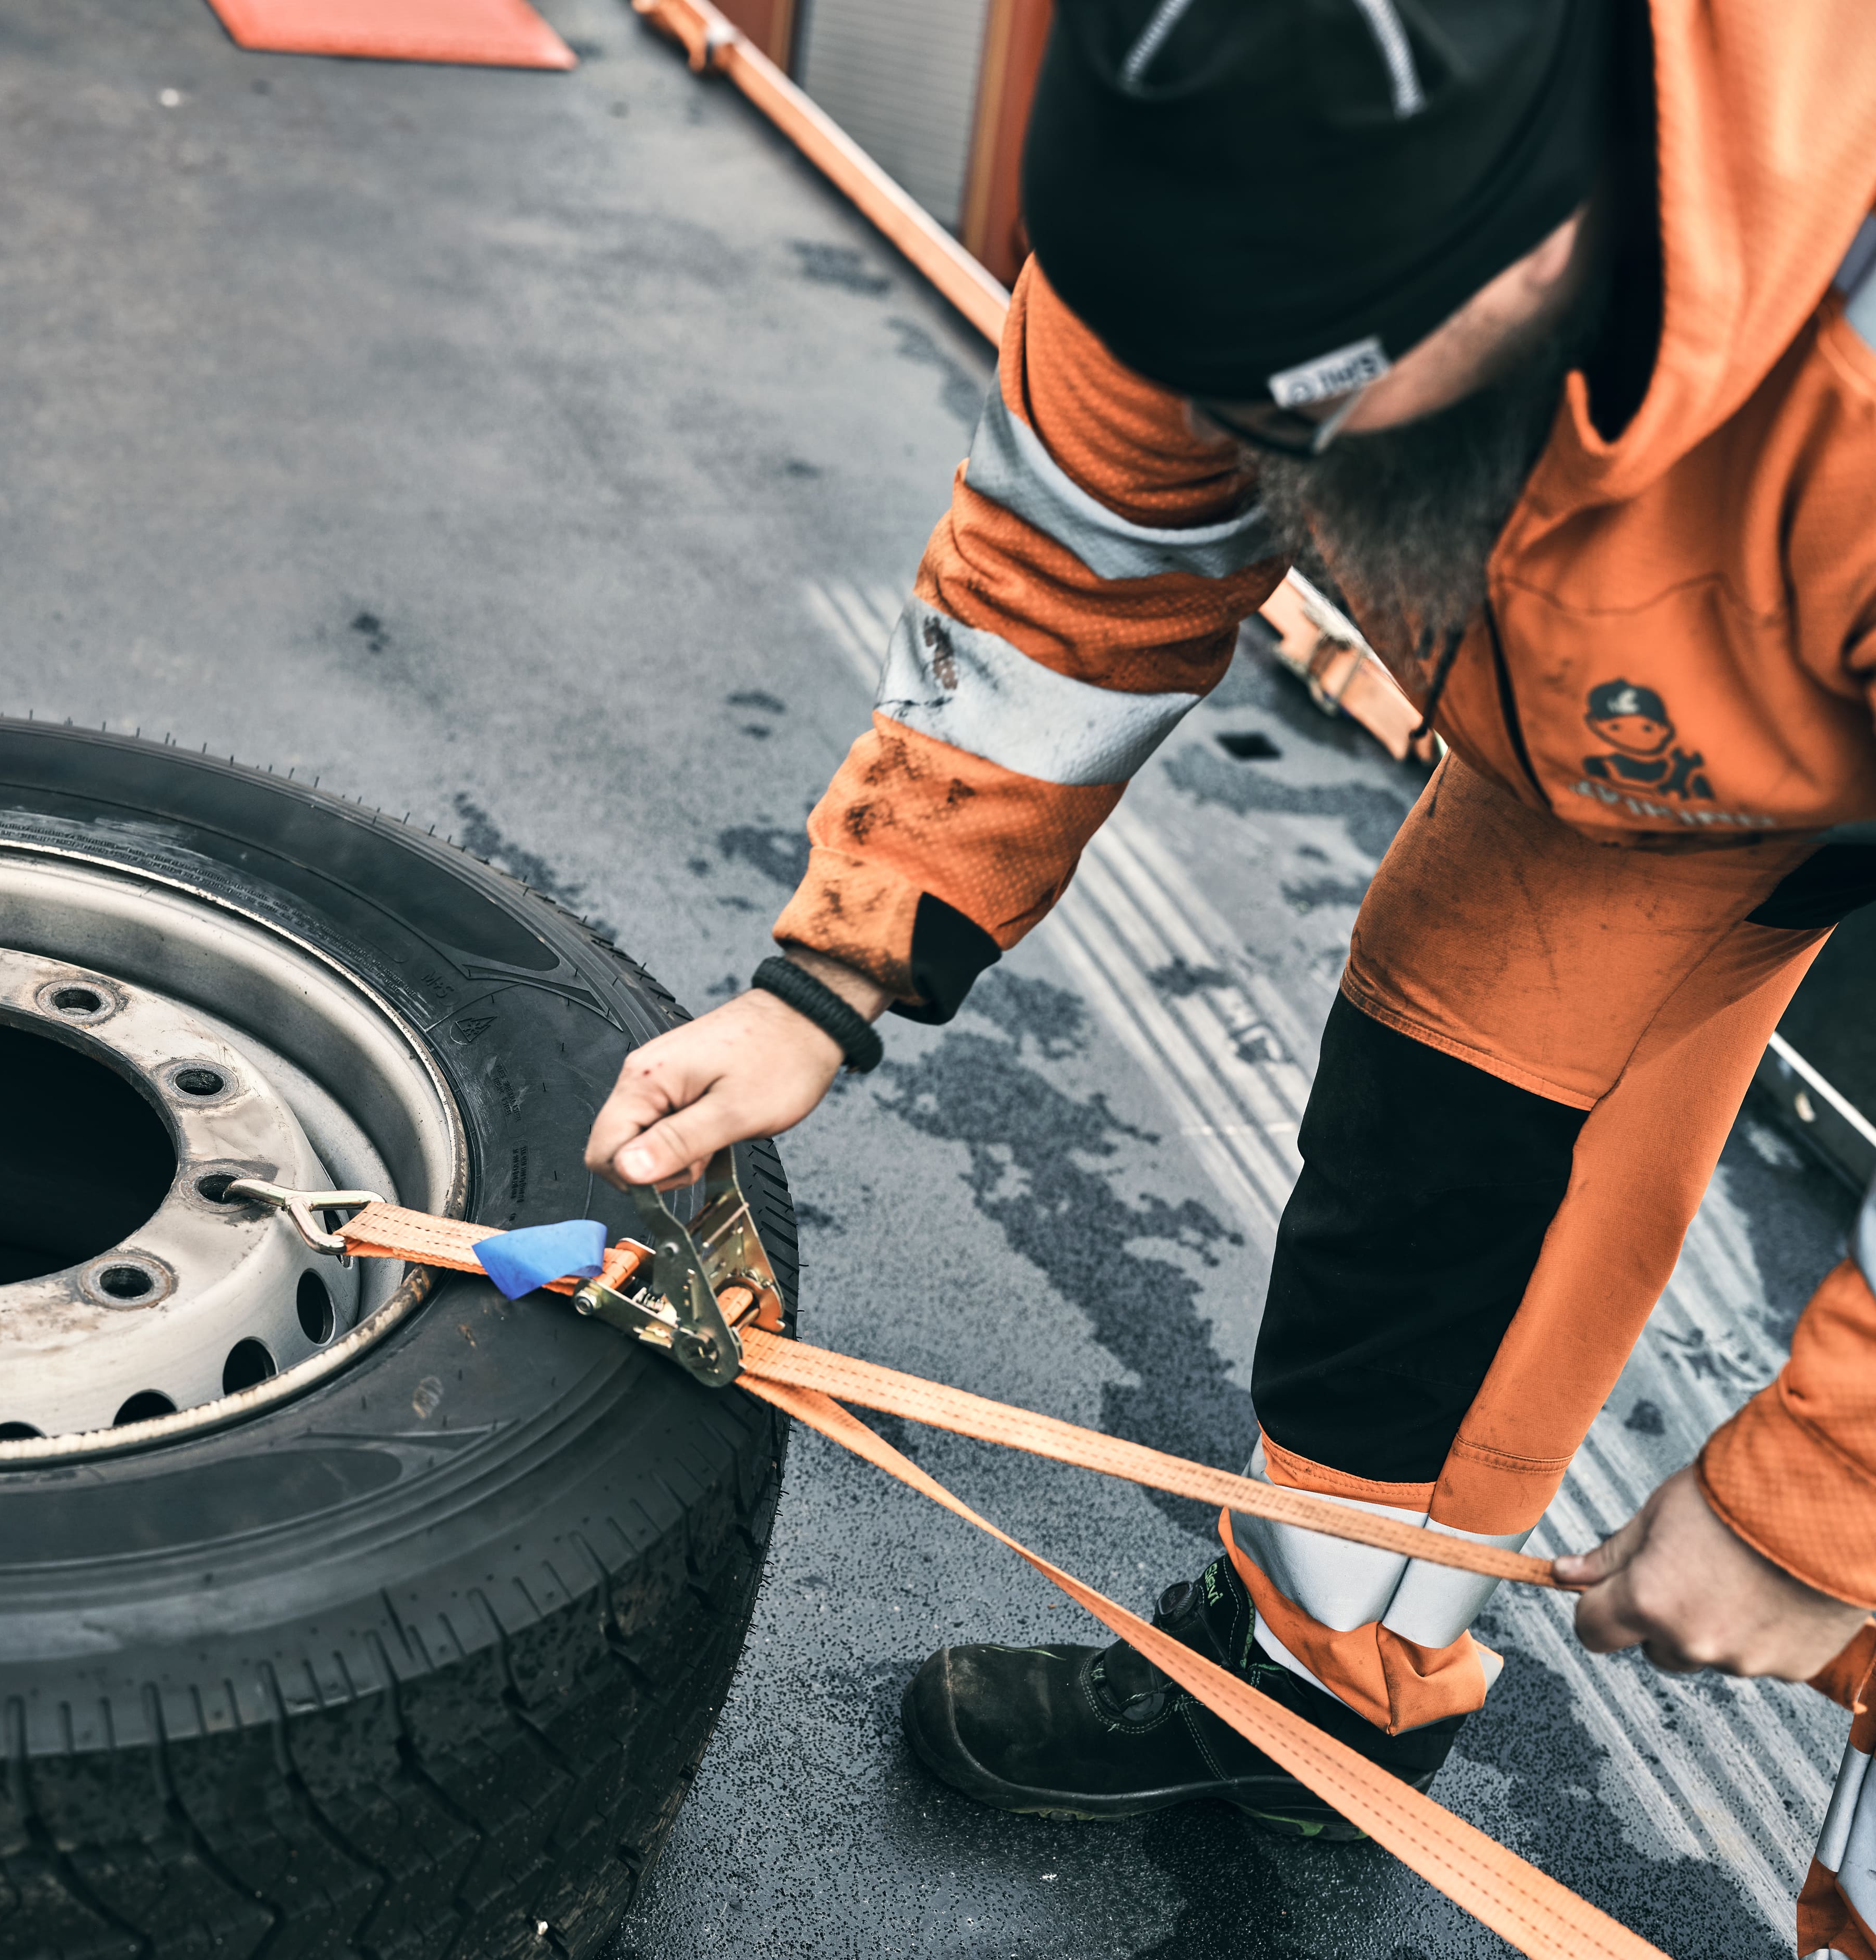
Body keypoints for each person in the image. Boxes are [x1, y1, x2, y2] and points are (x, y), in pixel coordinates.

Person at [584, 0, 1876, 1945]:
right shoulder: (1198, 217)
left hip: (1783, 573)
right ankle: (1325, 1684)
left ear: (1546, 239)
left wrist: (1818, 1510)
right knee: (1439, 1128)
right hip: (1664, 729)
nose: (1246, 465)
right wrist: (821, 987)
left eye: (1291, 425)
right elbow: (1072, 584)